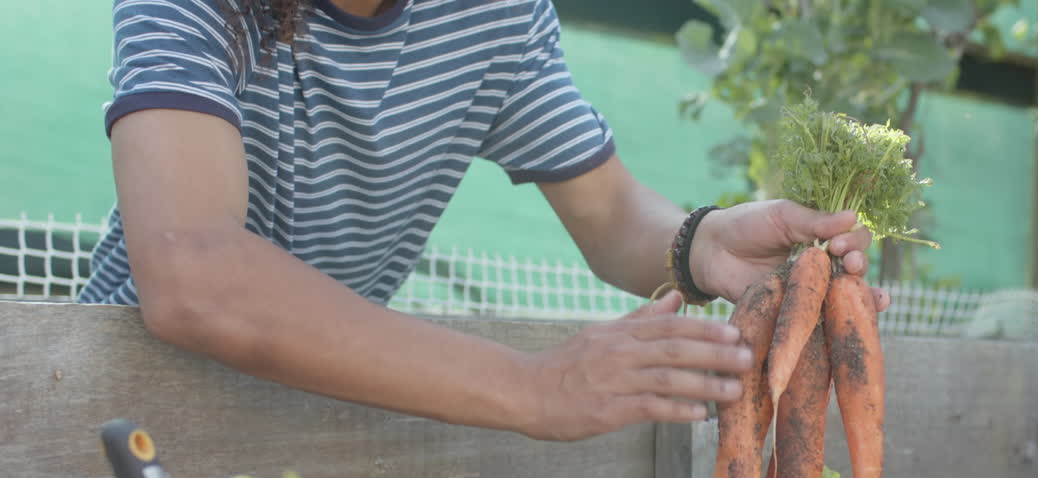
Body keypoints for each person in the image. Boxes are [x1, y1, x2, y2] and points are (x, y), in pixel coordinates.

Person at [79, 0, 889, 442]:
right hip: (122, 413)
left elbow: (608, 213)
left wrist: (703, 243)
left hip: (323, 404)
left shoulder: (495, 13)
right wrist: (531, 386)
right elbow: (194, 274)